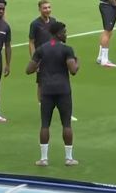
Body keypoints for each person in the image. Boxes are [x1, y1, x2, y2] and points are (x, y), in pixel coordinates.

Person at [26, 22, 79, 166]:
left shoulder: (42, 49)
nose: (66, 34)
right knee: (66, 124)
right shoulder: (67, 49)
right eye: (64, 32)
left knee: (45, 124)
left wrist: (39, 65)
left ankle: (43, 159)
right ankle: (69, 158)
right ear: (58, 33)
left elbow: (29, 69)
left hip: (47, 90)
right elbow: (73, 70)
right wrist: (77, 62)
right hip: (63, 90)